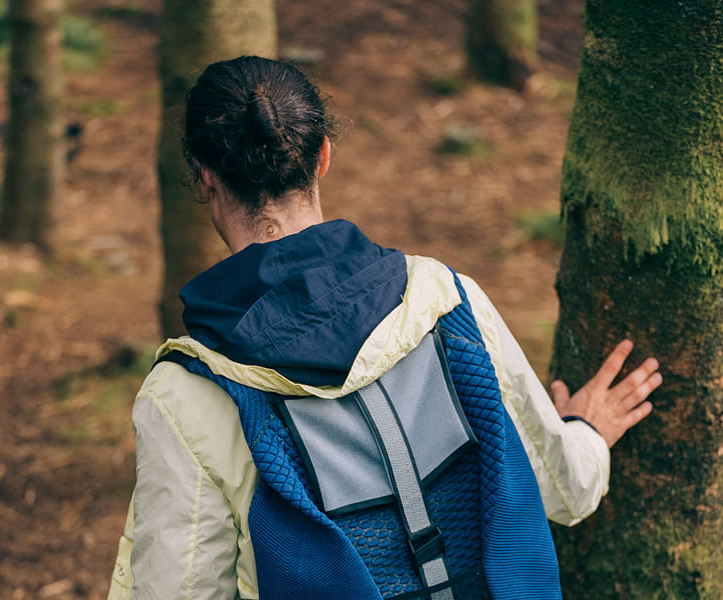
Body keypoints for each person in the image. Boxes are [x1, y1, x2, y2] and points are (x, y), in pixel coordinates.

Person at [106, 56, 662, 600]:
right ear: (324, 155)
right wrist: (588, 431)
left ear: (204, 177)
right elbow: (562, 486)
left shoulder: (186, 394)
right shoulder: (447, 302)